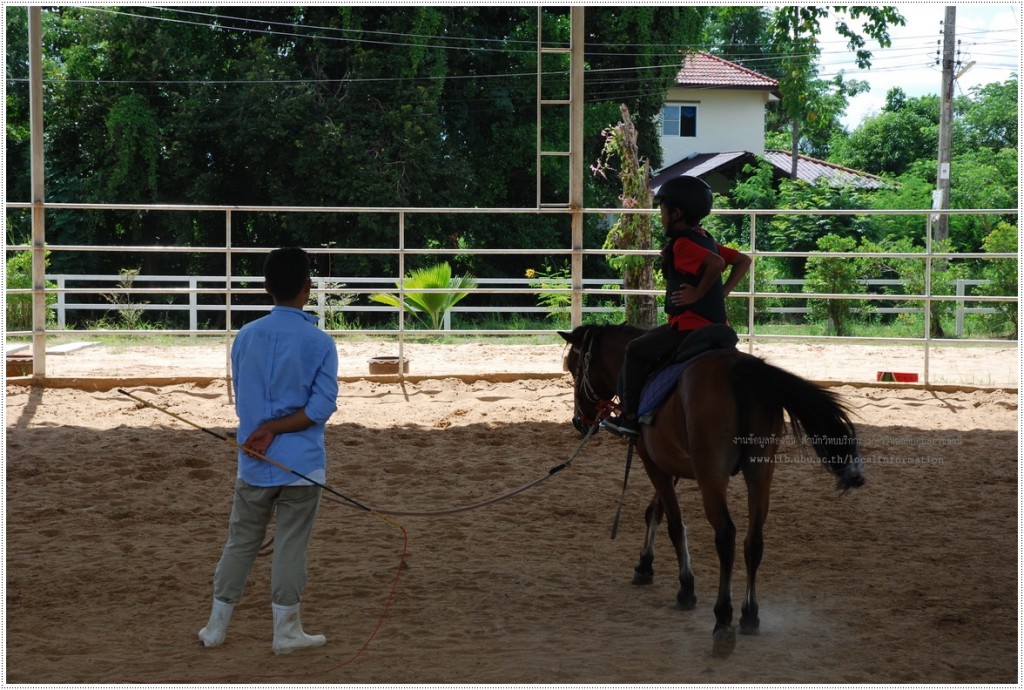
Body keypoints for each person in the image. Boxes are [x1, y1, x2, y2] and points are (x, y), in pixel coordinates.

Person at [198, 247, 339, 654]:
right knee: (291, 544)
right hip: (301, 465)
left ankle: (215, 626)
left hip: (254, 460)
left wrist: (264, 428)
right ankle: (287, 630)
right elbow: (320, 408)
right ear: (307, 288)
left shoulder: (246, 336)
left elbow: (244, 398)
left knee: (240, 541)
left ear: (266, 287)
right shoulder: (320, 342)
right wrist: (278, 427)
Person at [601, 176, 751, 439]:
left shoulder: (683, 244)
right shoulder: (704, 239)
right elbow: (743, 261)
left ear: (677, 213)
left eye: (662, 211)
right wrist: (722, 291)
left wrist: (697, 293)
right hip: (717, 327)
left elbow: (715, 264)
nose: (661, 217)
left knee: (636, 350)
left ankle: (629, 417)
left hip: (688, 327)